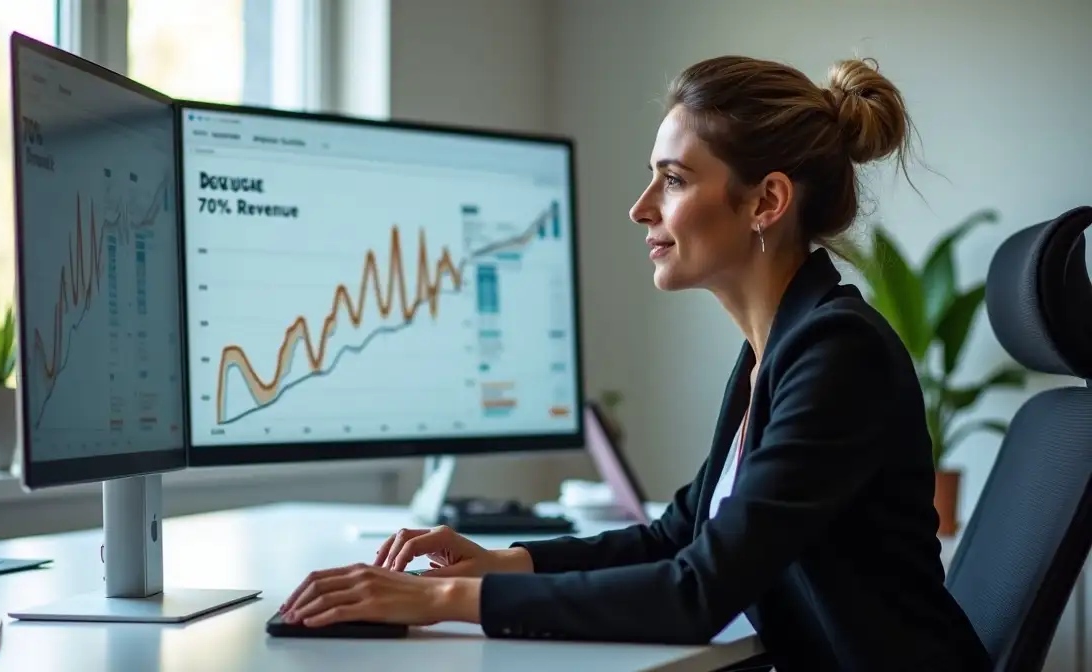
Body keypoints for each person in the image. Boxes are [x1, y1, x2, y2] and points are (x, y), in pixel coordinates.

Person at [280, 55, 993, 671]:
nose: (640, 207)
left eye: (674, 180)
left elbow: (696, 590)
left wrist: (441, 598)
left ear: (766, 201)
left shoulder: (840, 354)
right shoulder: (775, 349)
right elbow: (680, 533)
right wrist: (503, 562)